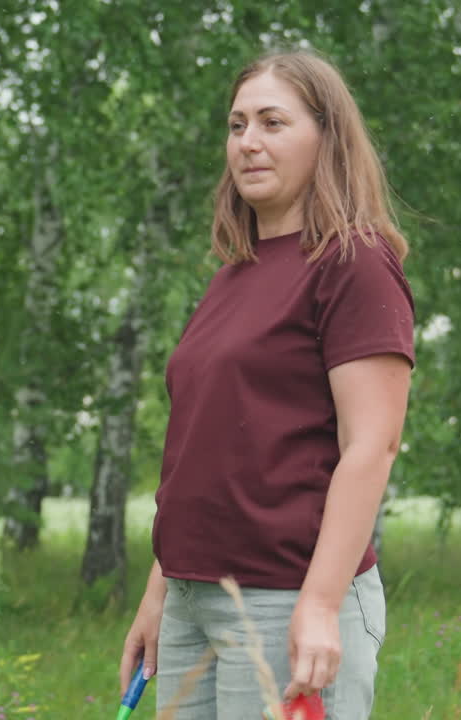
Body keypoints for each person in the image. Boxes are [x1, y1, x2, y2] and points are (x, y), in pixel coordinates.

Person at [118, 49, 415, 720]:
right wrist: (158, 596)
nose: (247, 142)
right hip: (192, 604)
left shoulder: (354, 262)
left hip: (287, 604)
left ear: (326, 136)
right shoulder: (234, 276)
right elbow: (204, 450)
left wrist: (319, 604)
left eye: (273, 122)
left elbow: (372, 445)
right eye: (236, 124)